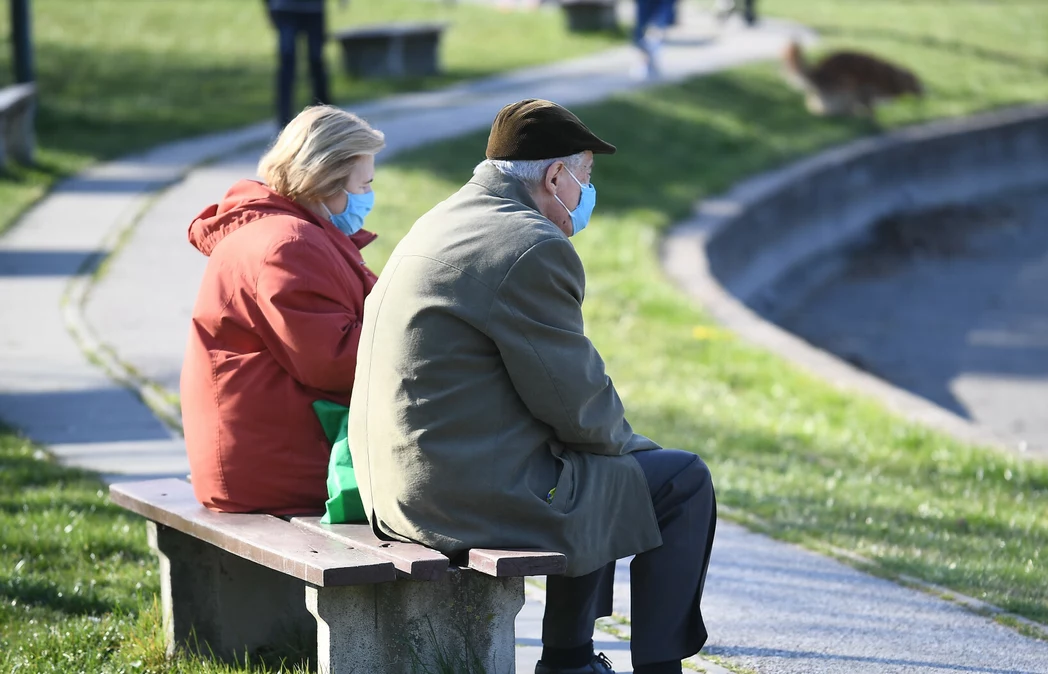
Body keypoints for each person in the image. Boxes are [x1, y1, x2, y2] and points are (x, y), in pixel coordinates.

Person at [349, 99, 717, 674]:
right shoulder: (530, 245)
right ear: (554, 177)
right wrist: (629, 443)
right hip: (452, 496)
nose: (586, 194)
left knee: (593, 469)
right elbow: (577, 405)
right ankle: (640, 666)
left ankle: (570, 659)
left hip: (394, 484)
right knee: (680, 480)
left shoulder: (444, 217)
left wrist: (614, 445)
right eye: (586, 178)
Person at [182, 105, 385, 514]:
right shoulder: (289, 244)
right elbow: (334, 363)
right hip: (279, 466)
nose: (368, 197)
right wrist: (424, 338)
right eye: (363, 185)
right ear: (325, 181)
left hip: (258, 456)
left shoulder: (281, 232)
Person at [264, 0, 345, 129]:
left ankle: (325, 117)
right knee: (287, 60)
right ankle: (284, 119)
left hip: (313, 8)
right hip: (285, 7)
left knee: (316, 60)